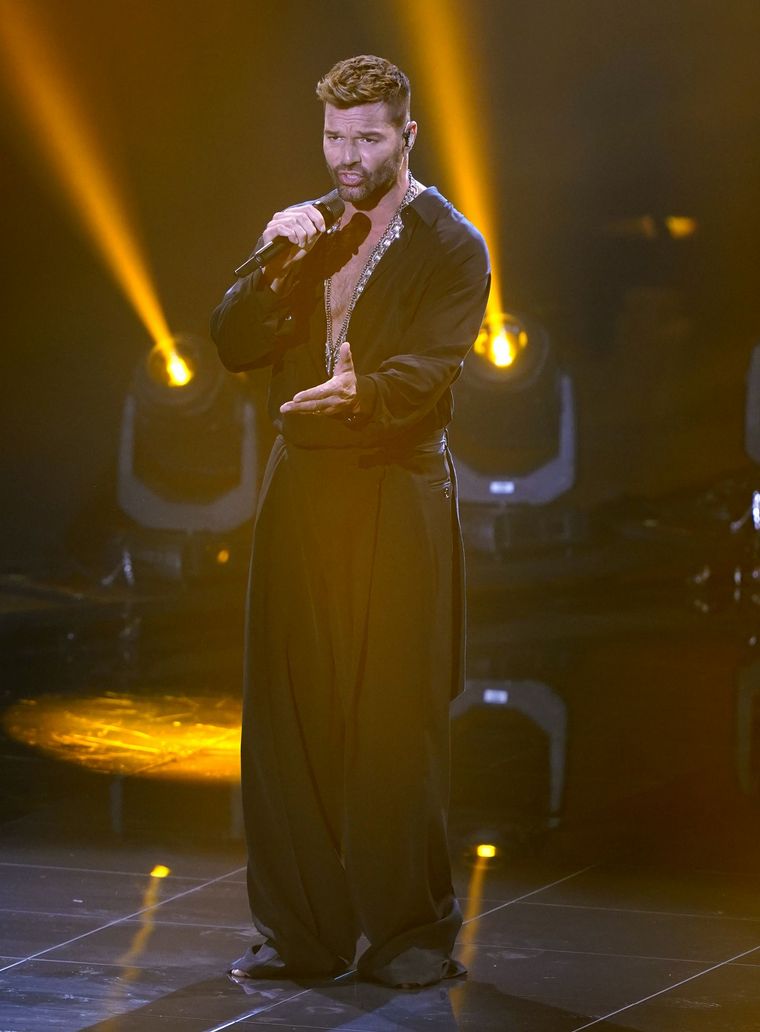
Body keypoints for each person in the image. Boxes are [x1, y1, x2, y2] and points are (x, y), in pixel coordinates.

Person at [211, 54, 490, 989]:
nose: (347, 157)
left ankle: (408, 934)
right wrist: (272, 266)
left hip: (393, 486)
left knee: (392, 719)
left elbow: (433, 367)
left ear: (406, 136)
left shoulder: (452, 244)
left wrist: (362, 391)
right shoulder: (308, 232)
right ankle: (301, 934)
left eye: (368, 139)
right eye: (335, 138)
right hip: (303, 485)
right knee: (287, 718)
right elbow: (234, 342)